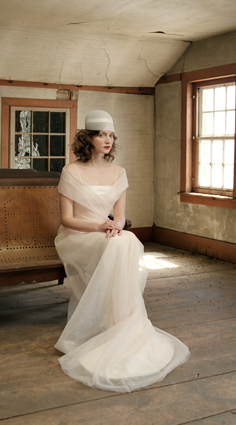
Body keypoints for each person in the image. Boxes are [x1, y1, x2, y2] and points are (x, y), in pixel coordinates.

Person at [54, 110, 190, 392]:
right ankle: (113, 323)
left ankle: (124, 325)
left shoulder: (119, 172)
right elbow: (67, 220)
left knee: (126, 240)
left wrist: (115, 227)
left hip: (107, 234)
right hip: (78, 235)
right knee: (120, 243)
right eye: (101, 134)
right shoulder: (71, 171)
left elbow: (120, 216)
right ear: (88, 138)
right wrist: (99, 226)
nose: (108, 140)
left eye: (111, 135)